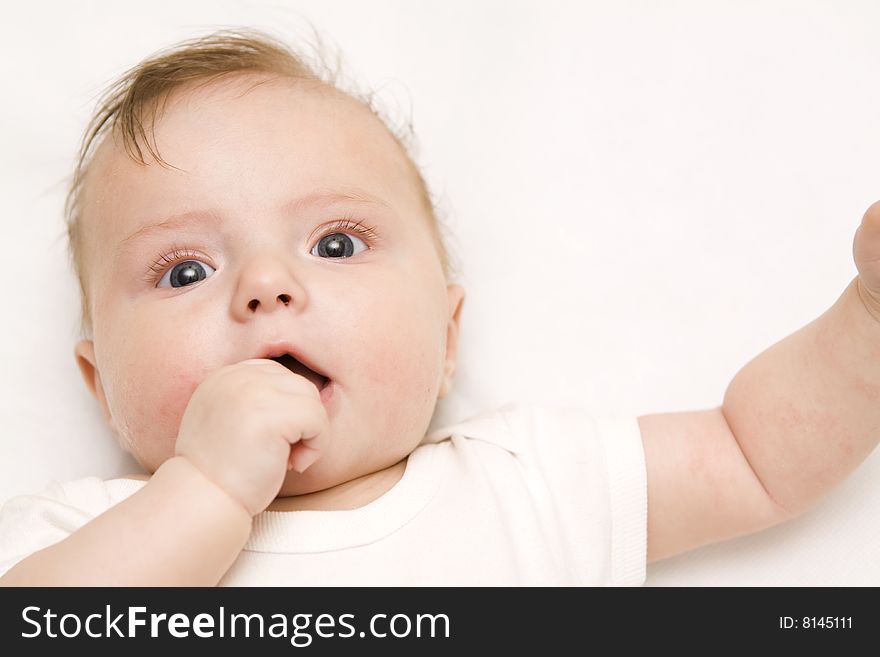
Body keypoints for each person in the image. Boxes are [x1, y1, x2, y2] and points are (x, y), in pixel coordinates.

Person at [1, 28, 878, 586]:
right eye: (184, 270)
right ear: (99, 384)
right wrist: (205, 489)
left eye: (335, 244)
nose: (266, 288)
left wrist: (870, 316)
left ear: (448, 337)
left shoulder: (525, 483)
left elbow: (753, 454)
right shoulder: (86, 535)